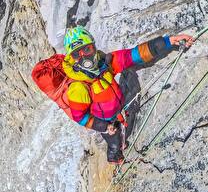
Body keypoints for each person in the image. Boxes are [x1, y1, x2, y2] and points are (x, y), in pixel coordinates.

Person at [32, 26, 194, 164]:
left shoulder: (106, 63)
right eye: (76, 55)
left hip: (115, 110)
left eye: (87, 49)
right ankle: (114, 157)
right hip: (104, 120)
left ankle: (117, 139)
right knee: (114, 141)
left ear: (94, 47)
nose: (84, 57)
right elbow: (79, 116)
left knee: (117, 129)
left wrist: (169, 41)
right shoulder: (78, 88)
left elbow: (135, 55)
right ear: (71, 59)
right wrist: (103, 126)